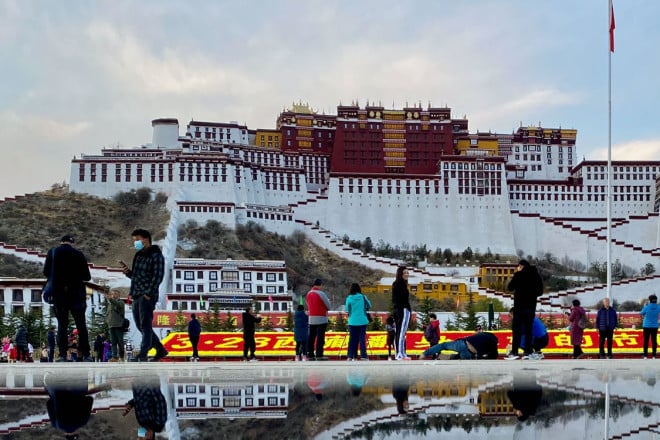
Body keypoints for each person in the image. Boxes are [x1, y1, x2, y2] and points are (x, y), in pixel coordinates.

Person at [120, 228, 168, 362]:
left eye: (137, 240)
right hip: (136, 293)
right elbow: (136, 277)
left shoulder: (156, 255)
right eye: (134, 240)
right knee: (140, 325)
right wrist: (128, 272)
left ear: (146, 239)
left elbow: (158, 276)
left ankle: (143, 352)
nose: (136, 243)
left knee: (145, 325)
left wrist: (149, 293)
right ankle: (160, 349)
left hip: (147, 295)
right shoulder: (138, 255)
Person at [43, 234, 93, 362]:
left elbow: (46, 272)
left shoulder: (53, 252)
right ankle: (86, 354)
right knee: (81, 325)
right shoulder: (79, 254)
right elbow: (87, 276)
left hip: (59, 294)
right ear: (72, 243)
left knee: (62, 325)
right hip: (77, 294)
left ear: (61, 242)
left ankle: (62, 355)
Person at [505, 259, 543, 360]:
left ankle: (514, 352)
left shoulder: (518, 275)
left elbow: (510, 287)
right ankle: (528, 352)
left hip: (519, 307)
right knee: (528, 330)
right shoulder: (536, 276)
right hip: (530, 307)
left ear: (521, 266)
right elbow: (540, 292)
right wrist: (531, 295)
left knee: (516, 330)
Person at [123, 375, 168, 439]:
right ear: (149, 437)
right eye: (142, 438)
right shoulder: (158, 423)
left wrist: (131, 404)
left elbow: (140, 401)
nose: (141, 435)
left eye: (140, 437)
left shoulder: (142, 423)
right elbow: (159, 400)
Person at [420, 330, 499, 360]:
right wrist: (483, 356)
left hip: (463, 344)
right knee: (459, 357)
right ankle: (449, 357)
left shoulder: (483, 334)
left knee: (443, 345)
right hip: (469, 353)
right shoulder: (493, 344)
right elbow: (495, 356)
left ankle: (424, 354)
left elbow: (474, 334)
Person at [345, 283, 372, 361]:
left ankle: (350, 356)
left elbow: (347, 309)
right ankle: (363, 356)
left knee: (352, 339)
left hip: (352, 321)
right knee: (362, 339)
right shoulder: (363, 297)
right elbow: (369, 305)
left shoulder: (349, 298)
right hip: (362, 321)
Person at [306, 278, 331, 360]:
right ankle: (319, 354)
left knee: (311, 337)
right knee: (320, 337)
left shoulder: (308, 294)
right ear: (320, 285)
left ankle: (310, 354)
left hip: (311, 318)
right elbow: (328, 306)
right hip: (321, 318)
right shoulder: (321, 294)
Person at [392, 266, 412, 360]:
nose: (407, 274)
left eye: (408, 273)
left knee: (401, 332)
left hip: (399, 309)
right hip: (402, 310)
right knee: (401, 332)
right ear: (400, 274)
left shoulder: (400, 284)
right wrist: (405, 308)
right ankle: (399, 353)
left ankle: (402, 353)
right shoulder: (399, 284)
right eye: (405, 273)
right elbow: (397, 299)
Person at [103, 288, 126, 362]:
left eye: (115, 294)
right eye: (112, 294)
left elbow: (116, 304)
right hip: (111, 325)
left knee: (120, 342)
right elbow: (108, 313)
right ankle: (114, 357)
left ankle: (121, 356)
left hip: (118, 325)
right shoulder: (110, 305)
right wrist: (107, 321)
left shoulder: (121, 302)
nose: (113, 295)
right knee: (113, 342)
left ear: (119, 295)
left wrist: (110, 299)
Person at [640, 294, 660, 359]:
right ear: (656, 300)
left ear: (649, 300)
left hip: (646, 326)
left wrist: (644, 306)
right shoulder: (658, 307)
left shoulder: (647, 307)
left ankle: (645, 355)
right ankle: (654, 355)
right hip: (655, 326)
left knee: (646, 340)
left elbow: (641, 313)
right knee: (654, 340)